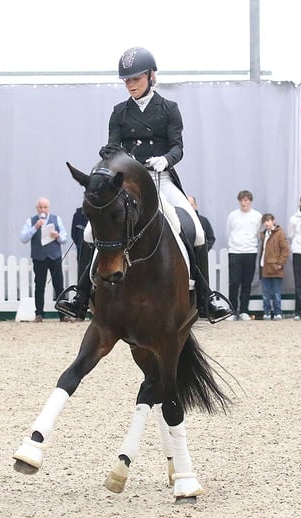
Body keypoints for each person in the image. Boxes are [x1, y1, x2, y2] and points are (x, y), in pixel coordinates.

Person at [55, 46, 233, 323]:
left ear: (151, 76)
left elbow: (178, 147)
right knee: (91, 232)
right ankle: (81, 293)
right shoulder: (119, 112)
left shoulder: (169, 109)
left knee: (195, 230)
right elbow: (112, 146)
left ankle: (206, 297)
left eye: (135, 79)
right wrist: (110, 162)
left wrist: (165, 159)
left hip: (160, 180)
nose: (130, 85)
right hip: (128, 183)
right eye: (126, 80)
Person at [20, 197, 71, 322]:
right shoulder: (31, 221)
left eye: (45, 207)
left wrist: (57, 236)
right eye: (41, 207)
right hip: (39, 257)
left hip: (54, 256)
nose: (43, 209)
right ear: (37, 208)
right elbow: (23, 238)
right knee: (39, 285)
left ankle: (63, 314)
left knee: (59, 285)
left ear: (49, 208)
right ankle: (39, 314)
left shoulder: (56, 219)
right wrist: (35, 227)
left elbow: (64, 238)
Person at [225, 190, 262, 320]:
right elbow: (228, 232)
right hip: (235, 251)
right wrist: (234, 244)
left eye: (246, 200)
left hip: (250, 251)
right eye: (241, 200)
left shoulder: (257, 216)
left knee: (247, 283)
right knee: (234, 282)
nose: (243, 203)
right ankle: (232, 310)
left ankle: (244, 310)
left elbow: (258, 233)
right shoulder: (233, 216)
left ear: (250, 201)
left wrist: (251, 245)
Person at [258, 213, 290, 320]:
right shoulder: (264, 234)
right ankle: (266, 312)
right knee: (266, 293)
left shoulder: (279, 234)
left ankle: (277, 312)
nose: (266, 223)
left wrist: (280, 263)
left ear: (273, 221)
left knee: (276, 292)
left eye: (268, 221)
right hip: (265, 266)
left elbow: (285, 250)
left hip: (276, 267)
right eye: (265, 221)